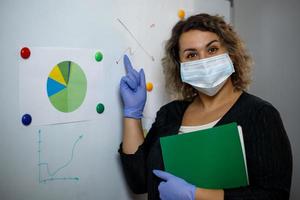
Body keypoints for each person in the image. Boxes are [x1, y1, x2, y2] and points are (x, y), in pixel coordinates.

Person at [118, 13, 293, 200]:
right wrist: (132, 113)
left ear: (231, 54)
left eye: (212, 50)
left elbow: (275, 195)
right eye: (191, 54)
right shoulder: (170, 114)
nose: (203, 61)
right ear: (180, 66)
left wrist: (195, 194)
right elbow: (139, 181)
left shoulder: (260, 114)